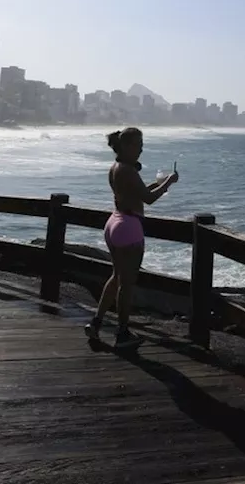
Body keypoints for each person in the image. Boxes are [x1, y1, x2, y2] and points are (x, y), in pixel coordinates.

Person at [84, 127, 178, 349]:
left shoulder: (116, 168)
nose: (141, 149)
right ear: (126, 146)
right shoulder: (127, 170)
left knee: (116, 277)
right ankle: (123, 333)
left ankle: (96, 323)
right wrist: (169, 183)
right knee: (126, 285)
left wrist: (160, 181)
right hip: (129, 227)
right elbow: (149, 199)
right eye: (138, 145)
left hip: (114, 223)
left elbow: (138, 191)